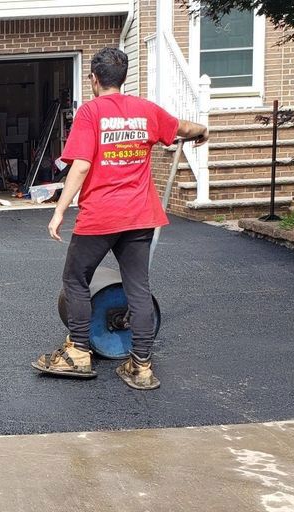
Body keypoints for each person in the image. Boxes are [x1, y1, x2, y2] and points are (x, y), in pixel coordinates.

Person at [32, 47, 207, 390]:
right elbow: (183, 127)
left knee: (76, 278)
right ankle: (141, 366)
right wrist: (202, 130)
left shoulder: (90, 113)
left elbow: (80, 164)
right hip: (140, 215)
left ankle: (80, 353)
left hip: (101, 215)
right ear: (122, 78)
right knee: (138, 288)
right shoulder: (145, 111)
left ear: (94, 79)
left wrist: (59, 210)